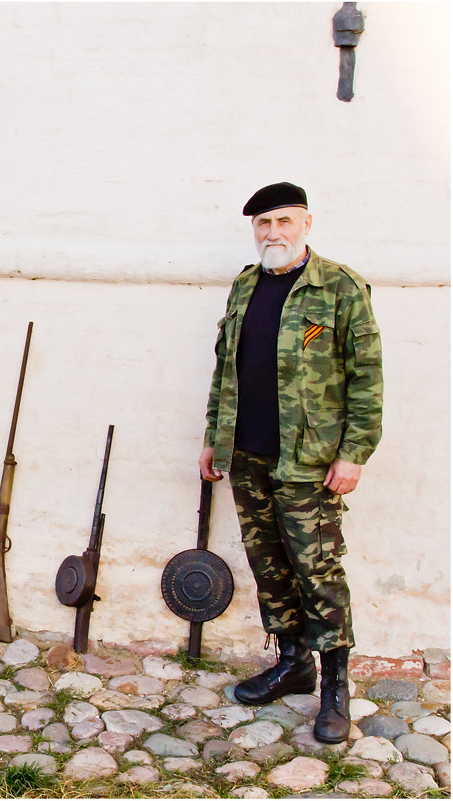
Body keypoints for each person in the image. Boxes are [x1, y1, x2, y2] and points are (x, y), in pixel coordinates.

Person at [199, 182, 383, 744]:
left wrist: (354, 453)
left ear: (306, 223)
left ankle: (334, 688)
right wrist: (214, 437)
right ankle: (292, 663)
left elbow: (366, 377)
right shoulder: (245, 286)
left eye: (283, 221)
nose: (272, 232)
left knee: (318, 572)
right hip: (248, 455)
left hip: (309, 462)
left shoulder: (340, 287)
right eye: (263, 224)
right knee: (271, 570)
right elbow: (223, 369)